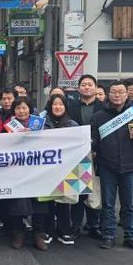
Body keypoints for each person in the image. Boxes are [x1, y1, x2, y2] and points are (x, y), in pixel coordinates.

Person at [91, 80, 133, 251]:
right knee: (108, 204)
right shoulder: (99, 116)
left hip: (130, 165)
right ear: (108, 94)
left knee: (128, 205)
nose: (117, 95)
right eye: (113, 92)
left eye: (120, 92)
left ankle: (131, 236)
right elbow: (94, 139)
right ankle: (108, 235)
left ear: (127, 94)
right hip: (107, 165)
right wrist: (91, 143)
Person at [68, 74, 105, 240]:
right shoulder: (71, 107)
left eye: (90, 84)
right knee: (78, 190)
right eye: (84, 84)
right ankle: (76, 225)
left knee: (95, 190)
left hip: (98, 155)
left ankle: (94, 225)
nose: (87, 87)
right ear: (79, 88)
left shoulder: (104, 107)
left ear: (96, 88)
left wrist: (96, 148)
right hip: (77, 155)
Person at [2, 97, 40, 250]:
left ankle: (39, 234)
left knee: (39, 201)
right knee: (17, 201)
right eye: (18, 108)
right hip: (16, 169)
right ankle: (18, 233)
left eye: (24, 108)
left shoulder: (39, 124)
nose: (21, 111)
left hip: (38, 169)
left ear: (30, 109)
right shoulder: (7, 126)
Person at [44, 94, 79, 246]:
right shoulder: (42, 124)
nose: (57, 107)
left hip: (65, 168)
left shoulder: (73, 125)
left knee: (64, 201)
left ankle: (64, 231)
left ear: (65, 107)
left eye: (61, 104)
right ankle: (48, 230)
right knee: (47, 201)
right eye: (54, 104)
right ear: (50, 106)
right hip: (45, 169)